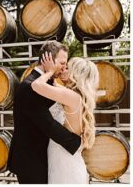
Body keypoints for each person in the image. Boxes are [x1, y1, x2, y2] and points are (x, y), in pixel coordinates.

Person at [7, 41, 84, 184]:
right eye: (61, 63)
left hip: (42, 156)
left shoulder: (46, 83)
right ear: (48, 60)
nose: (64, 67)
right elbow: (48, 124)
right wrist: (76, 143)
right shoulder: (30, 86)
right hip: (30, 160)